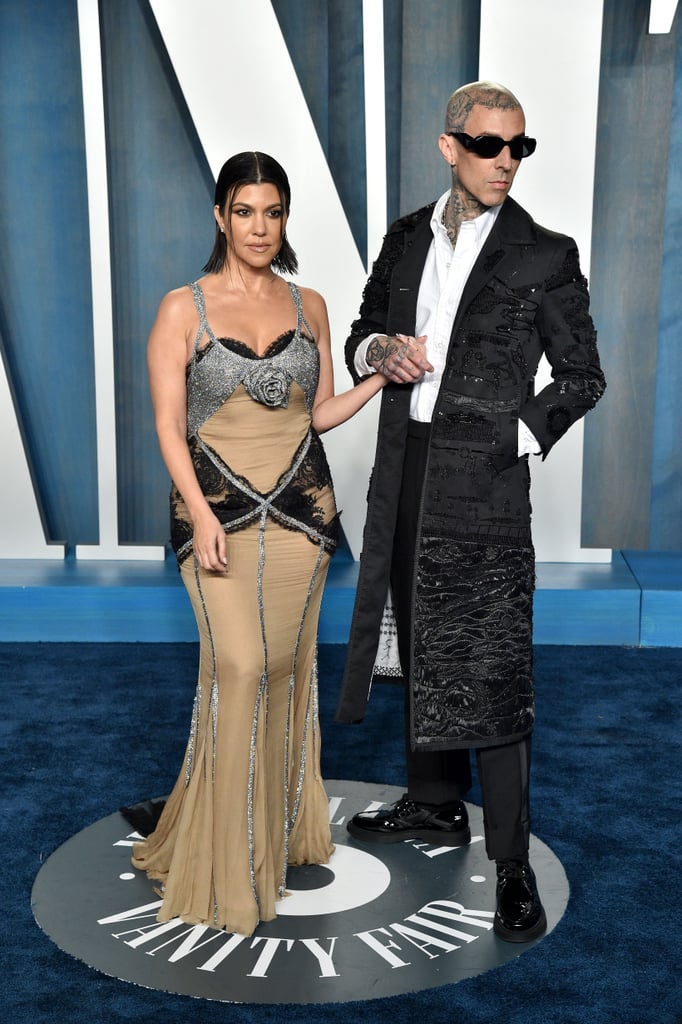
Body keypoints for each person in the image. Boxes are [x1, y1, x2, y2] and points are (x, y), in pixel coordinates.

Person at [335, 81, 606, 942]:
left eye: (519, 147)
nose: (506, 163)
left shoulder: (546, 254)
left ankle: (513, 862)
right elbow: (360, 330)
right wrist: (381, 350)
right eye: (490, 145)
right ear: (450, 145)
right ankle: (435, 802)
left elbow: (582, 377)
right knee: (419, 637)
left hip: (485, 485)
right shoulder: (409, 236)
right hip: (406, 469)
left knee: (489, 664)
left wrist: (513, 438)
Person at [129, 151, 385, 937]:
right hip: (216, 518)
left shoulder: (309, 302)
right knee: (238, 667)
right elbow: (171, 427)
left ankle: (273, 836)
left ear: (284, 217)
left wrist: (380, 380)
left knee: (284, 670)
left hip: (305, 519)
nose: (260, 227)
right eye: (245, 212)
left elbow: (315, 414)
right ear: (219, 217)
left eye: (272, 212)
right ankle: (227, 865)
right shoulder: (183, 309)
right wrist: (201, 514)